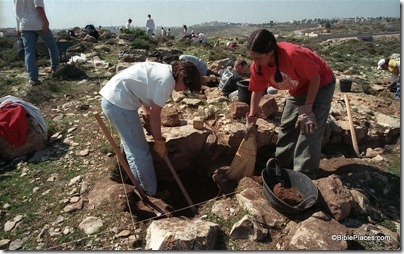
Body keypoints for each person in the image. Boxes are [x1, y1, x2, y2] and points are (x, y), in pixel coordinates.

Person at [99, 61, 202, 196]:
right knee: (140, 152)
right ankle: (149, 192)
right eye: (186, 86)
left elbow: (144, 93)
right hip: (119, 104)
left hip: (115, 98)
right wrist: (159, 142)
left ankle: (143, 187)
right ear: (182, 75)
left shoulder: (165, 71)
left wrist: (147, 117)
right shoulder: (166, 81)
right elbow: (155, 115)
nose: (184, 90)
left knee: (133, 147)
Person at [245, 29, 335, 180]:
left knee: (308, 129)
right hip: (298, 89)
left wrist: (307, 110)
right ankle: (281, 167)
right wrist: (252, 117)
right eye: (253, 58)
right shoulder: (258, 67)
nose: (255, 62)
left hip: (320, 86)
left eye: (258, 58)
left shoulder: (292, 54)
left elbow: (315, 78)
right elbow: (257, 90)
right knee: (287, 127)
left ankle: (304, 177)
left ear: (271, 51)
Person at [13, 0, 59, 86]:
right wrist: (46, 22)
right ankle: (55, 69)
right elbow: (38, 7)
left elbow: (16, 12)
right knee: (52, 46)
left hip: (25, 25)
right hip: (38, 24)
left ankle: (32, 78)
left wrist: (18, 27)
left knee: (29, 51)